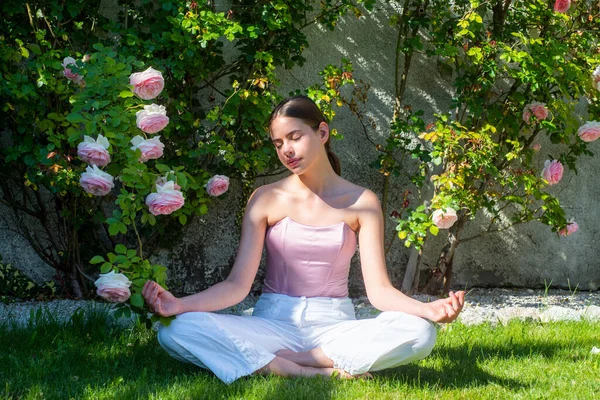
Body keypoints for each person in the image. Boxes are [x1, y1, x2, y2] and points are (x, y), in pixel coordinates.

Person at [142, 95, 465, 384]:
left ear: (322, 133)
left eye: (295, 137)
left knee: (421, 333)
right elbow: (236, 287)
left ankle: (302, 359)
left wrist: (429, 310)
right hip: (273, 325)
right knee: (176, 330)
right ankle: (294, 369)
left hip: (334, 327)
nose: (287, 150)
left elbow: (379, 292)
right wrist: (180, 305)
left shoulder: (362, 201)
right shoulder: (265, 198)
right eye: (278, 143)